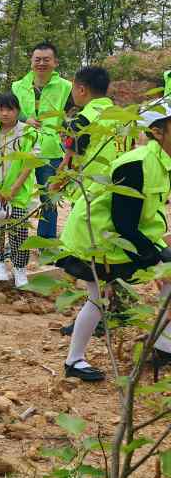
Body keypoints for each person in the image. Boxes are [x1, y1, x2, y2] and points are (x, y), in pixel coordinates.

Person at [54, 103, 171, 382]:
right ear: (158, 132)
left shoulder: (162, 160)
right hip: (99, 237)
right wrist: (155, 261)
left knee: (102, 295)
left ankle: (164, 347)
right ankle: (75, 361)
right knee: (99, 295)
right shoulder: (137, 164)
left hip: (119, 235)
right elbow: (123, 223)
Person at [11, 42, 73, 239]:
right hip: (22, 149)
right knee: (18, 198)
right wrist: (23, 118)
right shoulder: (18, 86)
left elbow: (74, 115)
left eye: (46, 59)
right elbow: (7, 111)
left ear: (55, 62)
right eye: (37, 59)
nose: (41, 63)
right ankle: (15, 241)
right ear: (31, 62)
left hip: (51, 150)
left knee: (50, 198)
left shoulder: (66, 87)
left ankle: (46, 241)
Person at [0, 93, 40, 288]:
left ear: (17, 111)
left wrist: (14, 188)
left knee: (19, 230)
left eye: (9, 109)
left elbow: (30, 163)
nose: (4, 113)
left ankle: (20, 269)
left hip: (18, 192)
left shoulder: (28, 132)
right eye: (0, 109)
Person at [54, 66, 119, 192]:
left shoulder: (84, 119)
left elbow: (70, 163)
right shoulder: (125, 119)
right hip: (119, 187)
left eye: (73, 88)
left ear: (82, 90)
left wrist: (53, 188)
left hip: (90, 191)